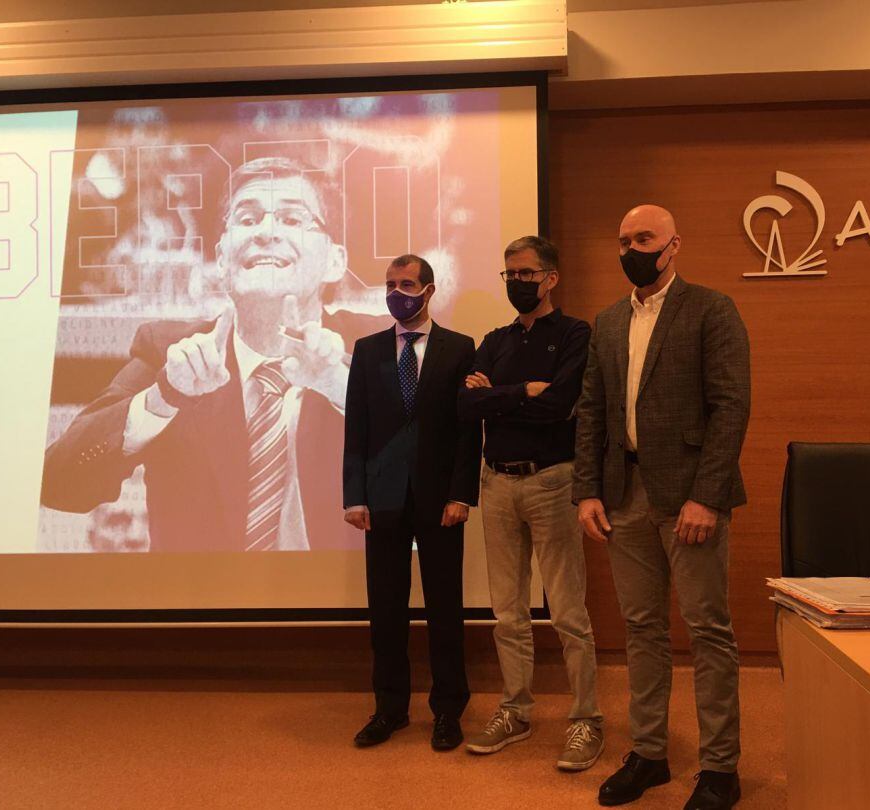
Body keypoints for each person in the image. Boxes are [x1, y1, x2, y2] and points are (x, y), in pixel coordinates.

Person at [41, 156, 362, 552]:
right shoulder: (169, 353)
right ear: (222, 260)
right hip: (206, 609)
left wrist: (338, 384)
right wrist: (164, 397)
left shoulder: (377, 343)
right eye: (247, 219)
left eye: (293, 219)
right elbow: (57, 481)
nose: (266, 232)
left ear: (335, 262)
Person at [573, 205, 751, 810]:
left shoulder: (711, 308)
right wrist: (588, 490)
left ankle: (721, 768)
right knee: (641, 629)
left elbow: (730, 407)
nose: (631, 248)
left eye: (643, 239)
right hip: (623, 493)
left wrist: (706, 495)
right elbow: (592, 412)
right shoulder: (606, 321)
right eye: (623, 240)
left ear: (673, 245)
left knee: (707, 630)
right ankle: (649, 754)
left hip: (692, 498)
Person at [458, 236, 603, 770]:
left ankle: (586, 718)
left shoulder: (574, 333)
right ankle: (515, 710)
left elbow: (563, 403)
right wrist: (524, 392)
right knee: (508, 612)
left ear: (551, 278)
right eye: (509, 274)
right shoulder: (494, 340)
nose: (518, 282)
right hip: (496, 483)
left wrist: (498, 396)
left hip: (552, 483)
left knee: (567, 611)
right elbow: (465, 404)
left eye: (526, 273)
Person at [343, 254, 481, 752]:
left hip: (441, 498)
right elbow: (355, 428)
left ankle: (447, 710)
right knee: (386, 608)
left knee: (445, 606)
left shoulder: (460, 349)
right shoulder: (367, 349)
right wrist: (353, 495)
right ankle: (389, 709)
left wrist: (462, 493)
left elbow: (468, 431)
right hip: (380, 499)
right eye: (389, 284)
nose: (396, 292)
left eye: (406, 283)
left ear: (428, 290)